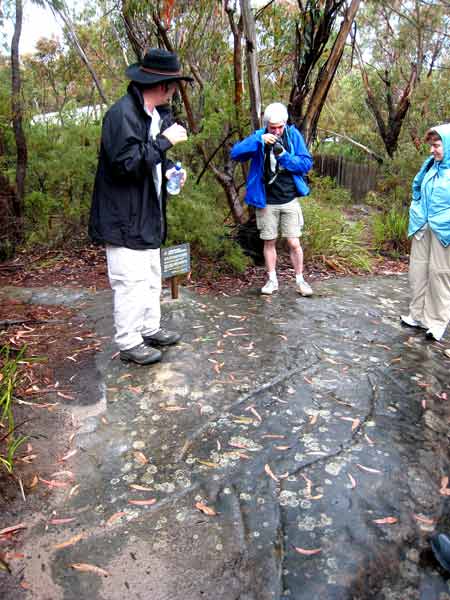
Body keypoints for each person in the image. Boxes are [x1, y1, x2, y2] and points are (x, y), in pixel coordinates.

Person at [89, 49, 193, 365]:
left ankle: (149, 328)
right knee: (129, 282)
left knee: (150, 277)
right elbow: (126, 165)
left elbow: (154, 158)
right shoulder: (122, 115)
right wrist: (164, 143)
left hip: (148, 214)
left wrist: (173, 168)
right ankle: (129, 342)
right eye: (174, 85)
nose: (175, 91)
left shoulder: (158, 115)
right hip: (123, 217)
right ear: (163, 85)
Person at [231, 102, 313, 296]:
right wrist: (259, 140)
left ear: (285, 123)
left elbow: (306, 163)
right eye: (272, 127)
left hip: (289, 199)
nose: (276, 131)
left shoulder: (293, 136)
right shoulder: (260, 136)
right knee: (269, 241)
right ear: (266, 124)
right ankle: (272, 280)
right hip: (266, 200)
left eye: (279, 127)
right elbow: (235, 153)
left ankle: (300, 280)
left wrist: (284, 156)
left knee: (294, 242)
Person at [401, 124, 450, 342]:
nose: (433, 150)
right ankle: (417, 315)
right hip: (423, 226)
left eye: (437, 145)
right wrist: (417, 208)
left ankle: (436, 323)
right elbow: (417, 187)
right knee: (418, 270)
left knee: (439, 275)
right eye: (432, 145)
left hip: (444, 230)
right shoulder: (431, 165)